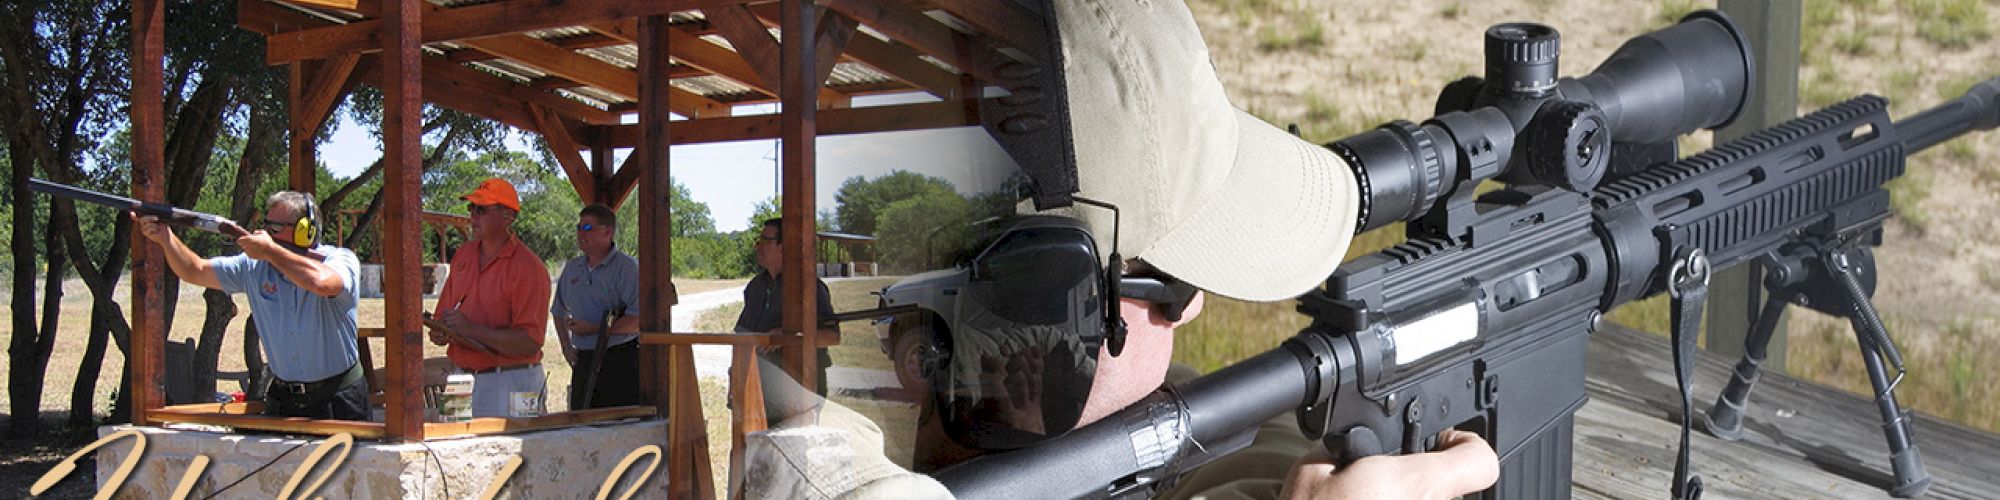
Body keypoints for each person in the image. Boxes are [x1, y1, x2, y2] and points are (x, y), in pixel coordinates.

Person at [133, 191, 368, 421]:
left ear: (304, 232)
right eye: (266, 225)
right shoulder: (253, 266)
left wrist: (270, 251)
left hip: (338, 397)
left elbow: (322, 283)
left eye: (275, 228)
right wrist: (165, 237)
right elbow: (194, 270)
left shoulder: (339, 259)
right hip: (285, 399)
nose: (265, 233)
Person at [428, 177, 553, 418]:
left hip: (513, 380)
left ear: (509, 216)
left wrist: (470, 330)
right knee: (453, 448)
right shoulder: (463, 255)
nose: (473, 216)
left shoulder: (529, 268)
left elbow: (530, 341)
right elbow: (442, 315)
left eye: (481, 209)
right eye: (471, 208)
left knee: (515, 449)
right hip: (459, 377)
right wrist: (439, 330)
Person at [732, 217, 839, 398]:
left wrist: (788, 337)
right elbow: (742, 337)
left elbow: (832, 336)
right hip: (760, 387)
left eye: (765, 240)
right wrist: (736, 380)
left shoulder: (809, 286)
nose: (758, 246)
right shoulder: (756, 286)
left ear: (785, 246)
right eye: (759, 240)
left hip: (801, 387)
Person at [551, 203, 643, 410]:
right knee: (582, 426)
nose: (580, 233)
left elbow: (637, 320)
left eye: (587, 228)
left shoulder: (627, 268)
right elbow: (558, 311)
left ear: (607, 232)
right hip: (583, 360)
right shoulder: (573, 268)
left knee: (619, 427)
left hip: (619, 359)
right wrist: (566, 346)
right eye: (578, 227)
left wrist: (594, 329)